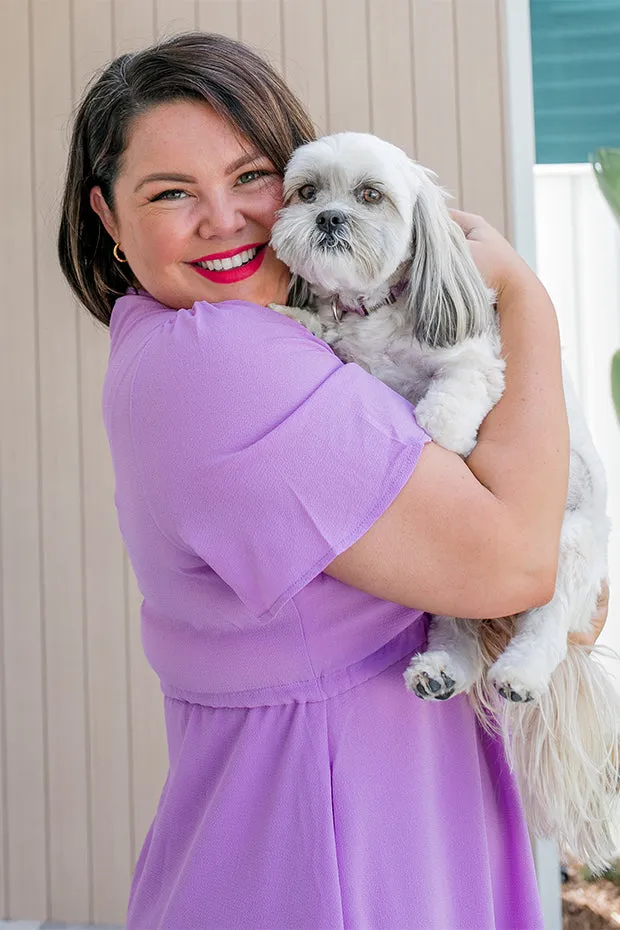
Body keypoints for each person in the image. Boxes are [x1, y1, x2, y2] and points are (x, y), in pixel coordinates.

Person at [57, 31, 607, 930]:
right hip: (338, 849)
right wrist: (523, 299)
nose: (225, 219)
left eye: (251, 177)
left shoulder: (252, 343)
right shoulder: (220, 363)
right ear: (108, 217)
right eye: (170, 194)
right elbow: (516, 568)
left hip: (382, 809)